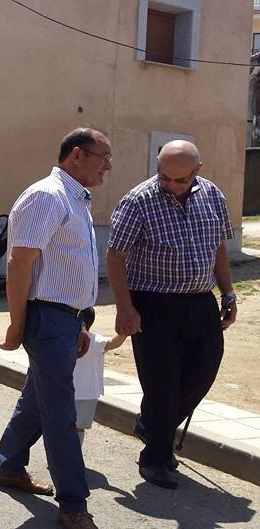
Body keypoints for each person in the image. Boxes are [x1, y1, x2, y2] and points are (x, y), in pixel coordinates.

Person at [0, 128, 109, 529]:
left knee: (39, 396)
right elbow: (20, 264)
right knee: (61, 411)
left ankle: (7, 465)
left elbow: (70, 266)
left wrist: (80, 320)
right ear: (77, 155)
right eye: (102, 156)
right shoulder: (47, 195)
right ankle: (74, 505)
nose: (107, 165)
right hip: (46, 319)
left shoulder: (75, 198)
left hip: (65, 318)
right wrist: (17, 323)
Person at [107, 140, 236, 490]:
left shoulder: (212, 195)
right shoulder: (139, 200)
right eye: (165, 177)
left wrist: (228, 292)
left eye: (180, 180)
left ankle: (152, 424)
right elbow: (115, 255)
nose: (171, 186)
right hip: (154, 305)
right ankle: (155, 458)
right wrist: (124, 306)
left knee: (203, 371)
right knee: (162, 384)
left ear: (197, 170)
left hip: (200, 301)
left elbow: (218, 247)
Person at [73, 307, 126, 446]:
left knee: (61, 424)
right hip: (88, 393)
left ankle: (60, 455)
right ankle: (75, 455)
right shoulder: (95, 340)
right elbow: (114, 343)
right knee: (79, 427)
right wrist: (124, 332)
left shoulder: (65, 338)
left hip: (65, 391)